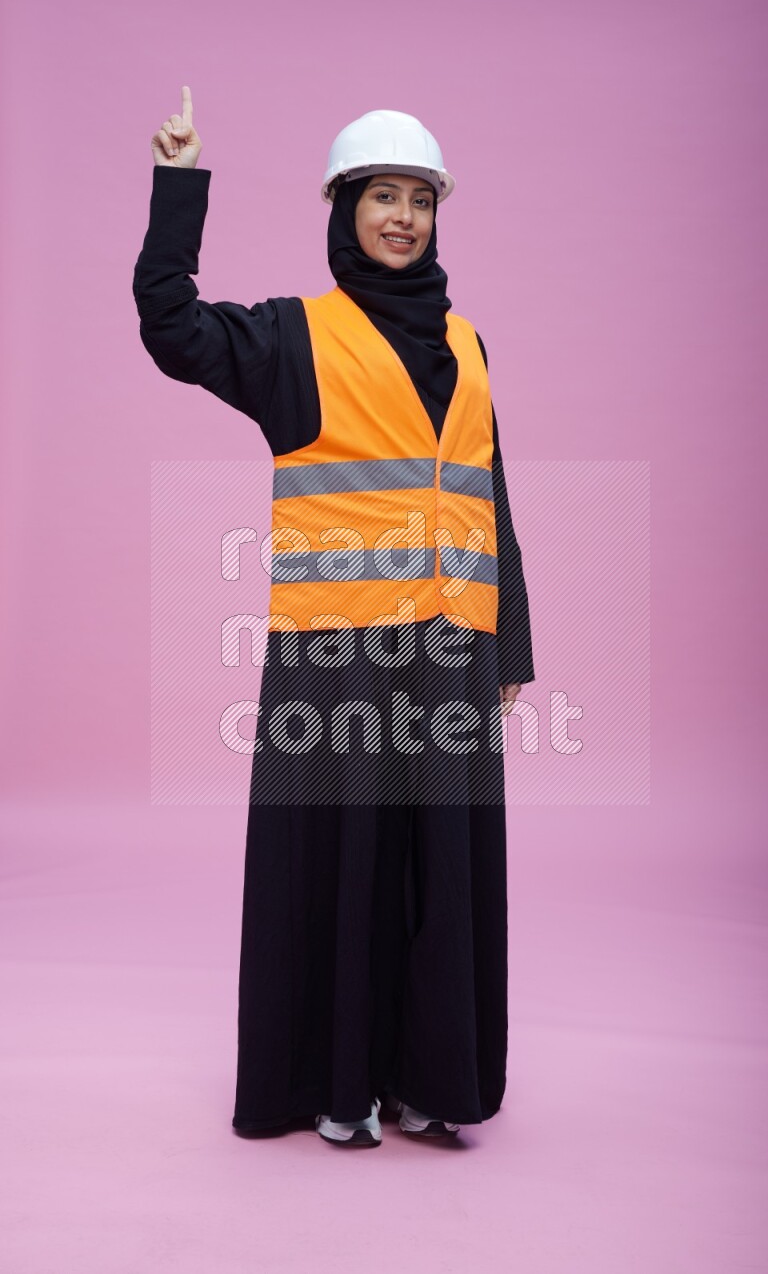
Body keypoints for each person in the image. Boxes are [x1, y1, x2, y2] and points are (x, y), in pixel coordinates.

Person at [134, 87, 535, 1147]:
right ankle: (338, 1086)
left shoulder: (469, 344)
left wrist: (510, 647)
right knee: (341, 863)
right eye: (379, 196)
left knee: (441, 867)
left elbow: (487, 496)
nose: (401, 216)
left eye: (418, 199)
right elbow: (171, 328)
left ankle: (432, 1080)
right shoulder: (290, 341)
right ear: (342, 210)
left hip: (451, 650)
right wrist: (179, 186)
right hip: (336, 659)